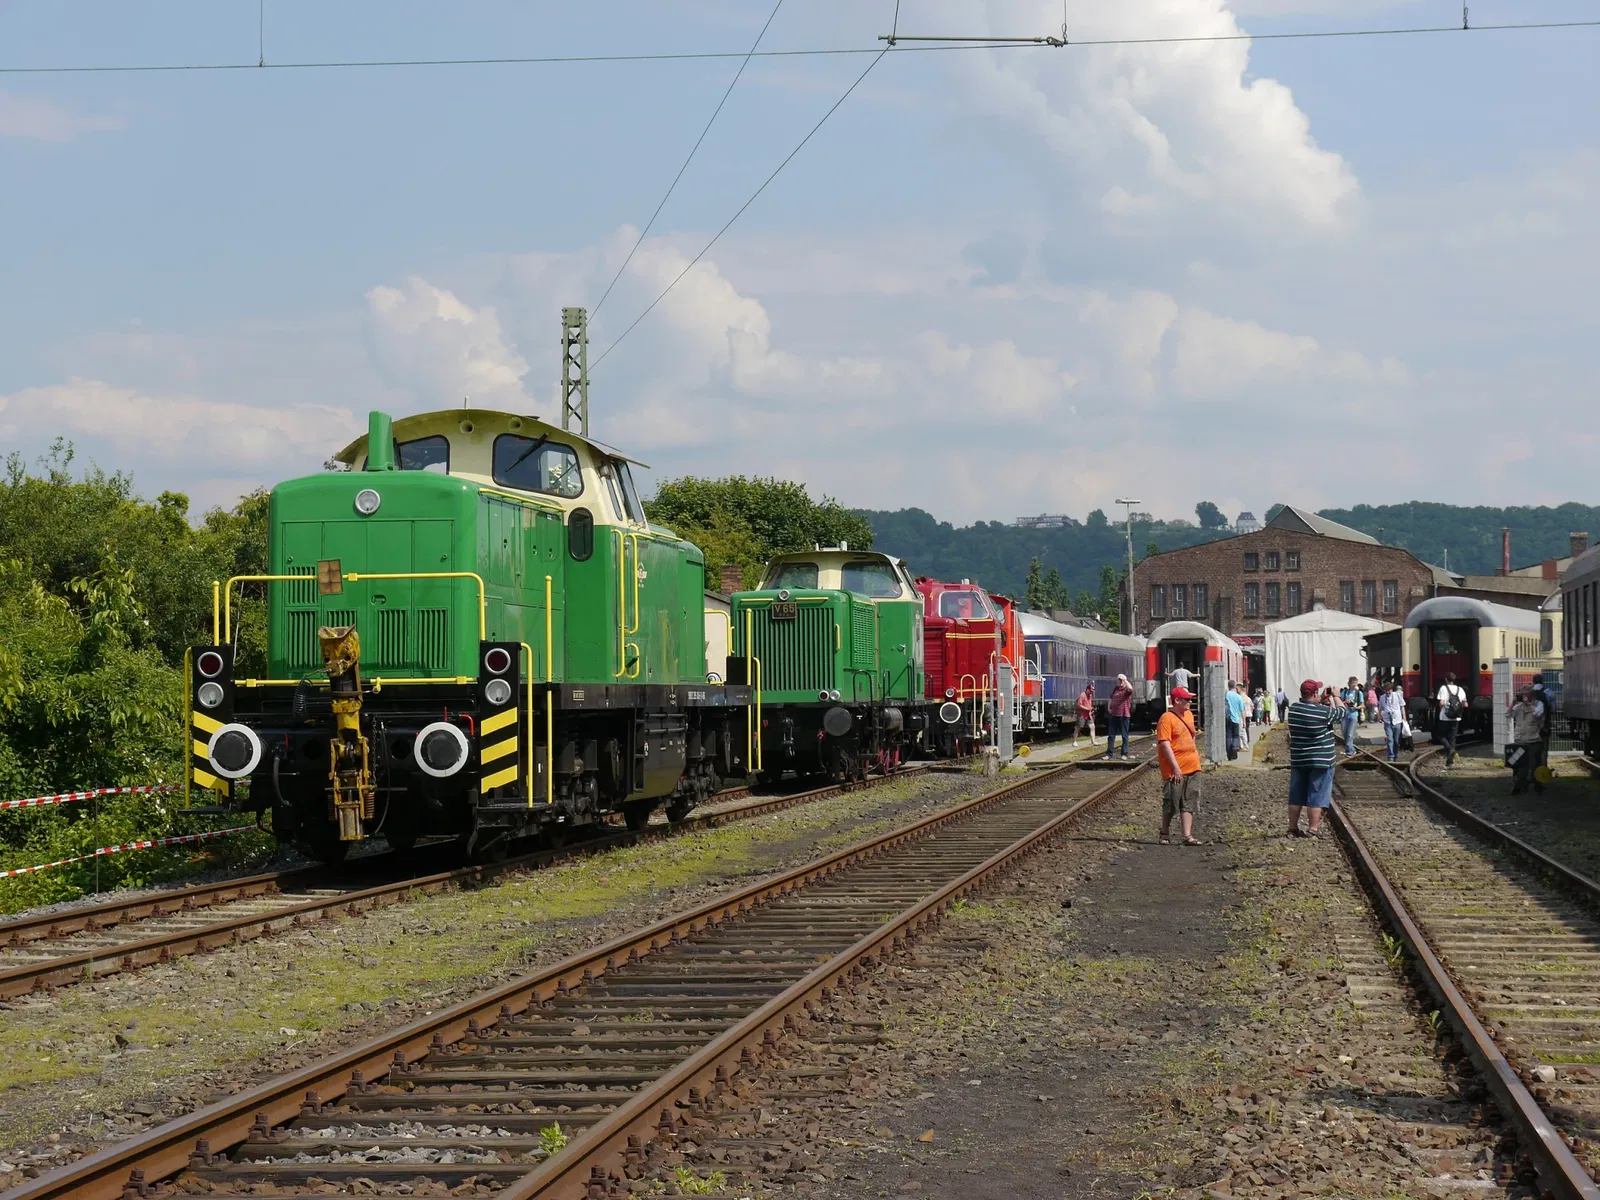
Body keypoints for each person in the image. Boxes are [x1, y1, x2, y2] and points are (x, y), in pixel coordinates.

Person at [1286, 679, 1341, 837]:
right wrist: (1336, 697)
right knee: (1316, 794)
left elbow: (1312, 711)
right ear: (1315, 693)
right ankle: (1313, 829)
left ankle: (1292, 828)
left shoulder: (1294, 709)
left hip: (1299, 759)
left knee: (1296, 794)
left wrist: (1321, 701)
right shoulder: (1323, 712)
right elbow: (1341, 713)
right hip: (1321, 760)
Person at [1157, 686, 1204, 846]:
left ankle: (1187, 835)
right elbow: (1165, 744)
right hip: (1174, 769)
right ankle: (1164, 832)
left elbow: (1192, 736)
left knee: (1189, 799)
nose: (1190, 702)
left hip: (1193, 765)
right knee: (1171, 800)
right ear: (1177, 700)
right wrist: (1176, 767)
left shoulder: (1189, 715)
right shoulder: (1166, 718)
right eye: (1187, 699)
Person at [1507, 685, 1546, 795]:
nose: (1523, 696)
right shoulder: (1518, 706)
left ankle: (1537, 786)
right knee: (1519, 765)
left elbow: (1538, 714)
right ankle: (1519, 786)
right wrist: (1512, 703)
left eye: (1525, 694)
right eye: (1521, 694)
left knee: (1535, 766)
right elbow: (1508, 715)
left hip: (1534, 740)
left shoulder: (1538, 704)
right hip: (1520, 740)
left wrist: (1529, 704)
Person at [1436, 672, 1467, 767]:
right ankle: (1450, 762)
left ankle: (1450, 750)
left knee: (1441, 736)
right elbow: (1465, 704)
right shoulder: (1460, 689)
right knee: (1452, 738)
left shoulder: (1443, 688)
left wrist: (1442, 707)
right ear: (1454, 680)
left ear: (1446, 679)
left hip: (1445, 717)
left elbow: (1441, 703)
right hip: (1456, 717)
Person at [1106, 673, 1134, 760]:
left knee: (1124, 735)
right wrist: (1109, 706)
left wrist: (1125, 679)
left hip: (1124, 715)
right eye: (1119, 680)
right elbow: (1111, 698)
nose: (1120, 682)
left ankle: (1124, 754)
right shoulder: (1116, 689)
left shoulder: (1126, 690)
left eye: (1121, 680)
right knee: (1111, 735)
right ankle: (1109, 754)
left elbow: (1131, 688)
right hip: (1114, 714)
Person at [1379, 680, 1407, 763]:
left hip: (1397, 720)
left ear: (1392, 690)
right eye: (1386, 690)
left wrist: (1404, 716)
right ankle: (1390, 756)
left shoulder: (1397, 695)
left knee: (1396, 740)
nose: (1388, 692)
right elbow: (1380, 708)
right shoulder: (1382, 698)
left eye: (1389, 690)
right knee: (1390, 739)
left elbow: (1402, 706)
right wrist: (1379, 717)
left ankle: (1395, 754)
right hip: (1387, 721)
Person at [1339, 676, 1362, 756]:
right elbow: (1340, 701)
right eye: (1353, 683)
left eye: (1356, 683)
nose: (1354, 685)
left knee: (1350, 734)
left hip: (1353, 715)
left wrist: (1355, 707)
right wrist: (1345, 702)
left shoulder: (1359, 693)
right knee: (1345, 734)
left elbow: (1362, 705)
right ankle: (1352, 749)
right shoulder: (1345, 692)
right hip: (1345, 715)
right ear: (1349, 684)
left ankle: (1349, 752)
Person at [1224, 681, 1246, 761]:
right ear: (1235, 687)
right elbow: (1242, 710)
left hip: (1226, 718)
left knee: (1227, 736)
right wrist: (1244, 721)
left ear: (1228, 686)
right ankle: (1234, 747)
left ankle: (1229, 756)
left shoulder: (1225, 695)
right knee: (1236, 736)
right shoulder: (1239, 697)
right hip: (1236, 719)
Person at [1075, 682, 1095, 746]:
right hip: (1082, 714)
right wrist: (1087, 709)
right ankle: (1074, 741)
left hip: (1089, 714)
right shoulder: (1082, 695)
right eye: (1090, 691)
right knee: (1079, 727)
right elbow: (1079, 705)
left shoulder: (1090, 696)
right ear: (1087, 689)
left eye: (1092, 692)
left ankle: (1093, 741)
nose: (1091, 693)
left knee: (1092, 727)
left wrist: (1091, 709)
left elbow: (1090, 703)